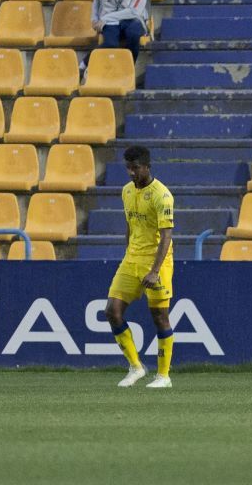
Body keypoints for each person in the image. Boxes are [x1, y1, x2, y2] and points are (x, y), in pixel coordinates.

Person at [105, 146, 175, 389]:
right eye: (128, 167)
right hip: (132, 259)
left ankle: (163, 376)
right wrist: (128, 253)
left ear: (147, 167)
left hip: (157, 262)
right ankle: (136, 367)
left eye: (135, 168)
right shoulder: (126, 191)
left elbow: (166, 235)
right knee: (112, 311)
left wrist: (155, 270)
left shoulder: (162, 195)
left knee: (159, 316)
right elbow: (130, 225)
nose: (131, 172)